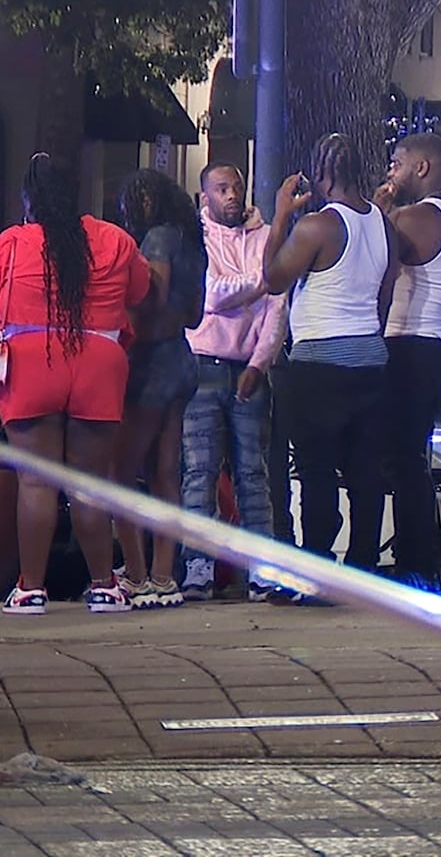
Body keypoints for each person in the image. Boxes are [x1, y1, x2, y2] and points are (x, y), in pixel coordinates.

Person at [0, 153, 149, 615]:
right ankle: (104, 585)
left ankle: (30, 589)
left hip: (31, 365)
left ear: (28, 198)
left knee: (38, 483)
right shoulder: (115, 240)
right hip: (99, 363)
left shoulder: (15, 242)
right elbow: (139, 292)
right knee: (87, 484)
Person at [263, 134, 399, 598]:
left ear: (320, 176)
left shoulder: (316, 227)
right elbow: (385, 292)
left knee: (318, 470)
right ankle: (363, 564)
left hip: (319, 361)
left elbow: (273, 278)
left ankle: (319, 569)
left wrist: (282, 213)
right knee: (364, 471)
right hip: (370, 358)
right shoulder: (383, 224)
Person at [179, 162, 288, 602]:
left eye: (237, 186)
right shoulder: (196, 238)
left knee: (252, 473)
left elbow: (277, 308)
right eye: (222, 188)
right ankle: (198, 567)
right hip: (202, 365)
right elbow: (210, 295)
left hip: (249, 369)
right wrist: (262, 280)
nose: (232, 195)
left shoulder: (265, 237)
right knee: (199, 473)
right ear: (205, 196)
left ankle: (261, 569)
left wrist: (259, 364)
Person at [373, 133, 441, 595]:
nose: (390, 172)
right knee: (404, 453)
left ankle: (416, 563)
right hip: (432, 342)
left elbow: (372, 254)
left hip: (413, 342)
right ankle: (415, 560)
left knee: (402, 455)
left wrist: (378, 210)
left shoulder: (422, 216)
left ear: (422, 168)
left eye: (396, 163)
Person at [107, 169, 206, 610]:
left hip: (150, 363)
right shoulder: (193, 243)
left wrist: (124, 306)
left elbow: (154, 297)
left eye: (136, 200)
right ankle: (165, 575)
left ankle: (135, 572)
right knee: (167, 473)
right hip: (183, 361)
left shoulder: (158, 240)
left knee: (122, 472)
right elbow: (195, 316)